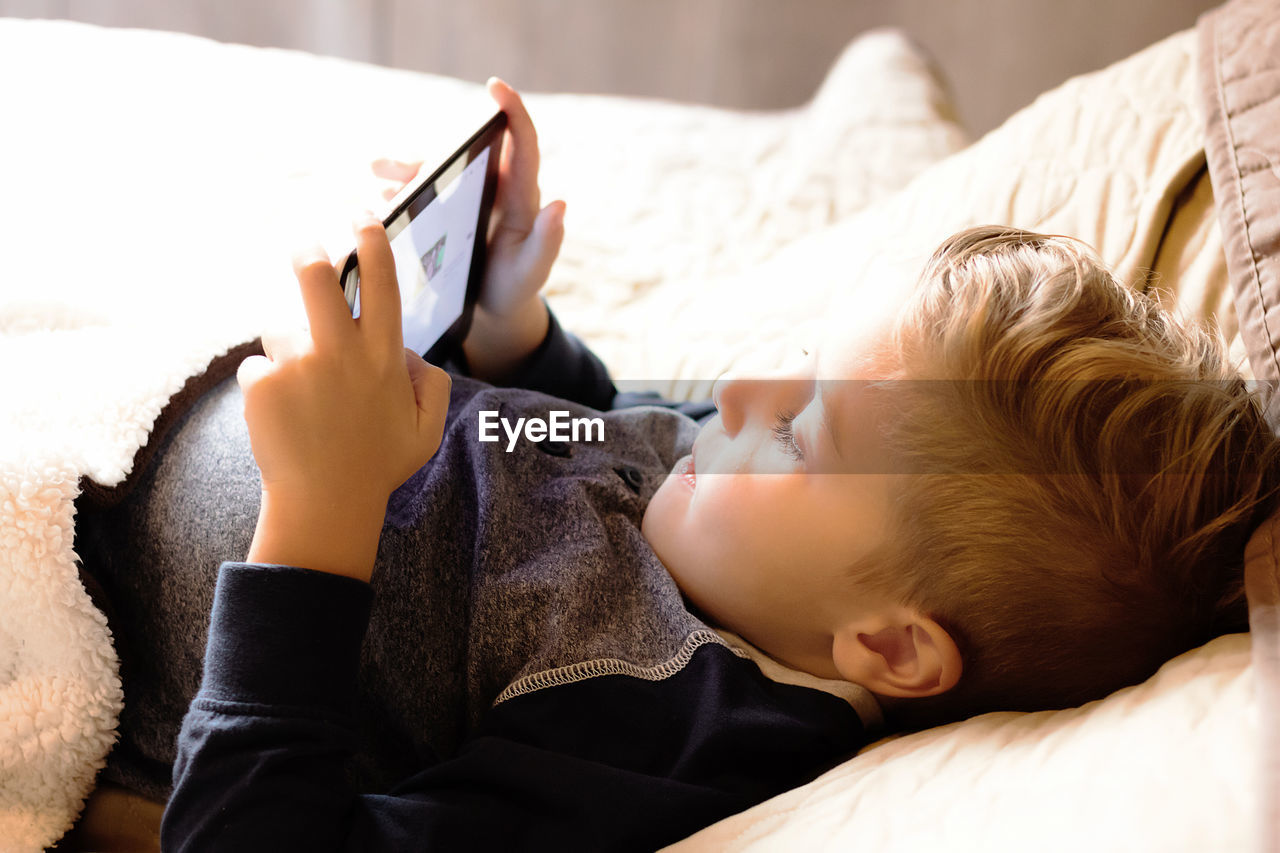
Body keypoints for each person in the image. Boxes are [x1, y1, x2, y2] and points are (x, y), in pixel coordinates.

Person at [73, 79, 1280, 852]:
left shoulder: (669, 734)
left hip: (83, 587)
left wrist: (317, 514)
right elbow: (590, 437)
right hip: (148, 400)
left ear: (887, 647)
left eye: (802, 431)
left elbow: (257, 835)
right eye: (803, 369)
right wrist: (507, 331)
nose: (744, 392)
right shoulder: (739, 531)